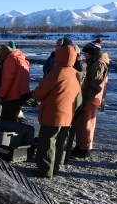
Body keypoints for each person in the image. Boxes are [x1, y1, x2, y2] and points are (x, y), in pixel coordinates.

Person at [32, 45, 81, 178]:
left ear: (59, 56)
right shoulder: (75, 73)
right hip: (68, 115)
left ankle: (45, 171)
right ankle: (55, 169)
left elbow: (40, 93)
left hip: (53, 114)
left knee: (47, 143)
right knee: (60, 143)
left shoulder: (57, 72)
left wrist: (34, 94)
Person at [70, 41, 110, 159]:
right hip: (87, 97)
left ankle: (86, 149)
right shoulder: (92, 62)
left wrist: (86, 99)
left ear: (92, 53)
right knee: (81, 123)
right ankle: (80, 146)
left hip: (92, 99)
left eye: (86, 52)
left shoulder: (98, 64)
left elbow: (95, 85)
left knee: (87, 124)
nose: (84, 54)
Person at [0, 44, 31, 122]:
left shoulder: (10, 60)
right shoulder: (22, 59)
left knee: (6, 120)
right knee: (14, 117)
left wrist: (1, 96)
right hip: (23, 93)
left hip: (12, 96)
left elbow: (7, 80)